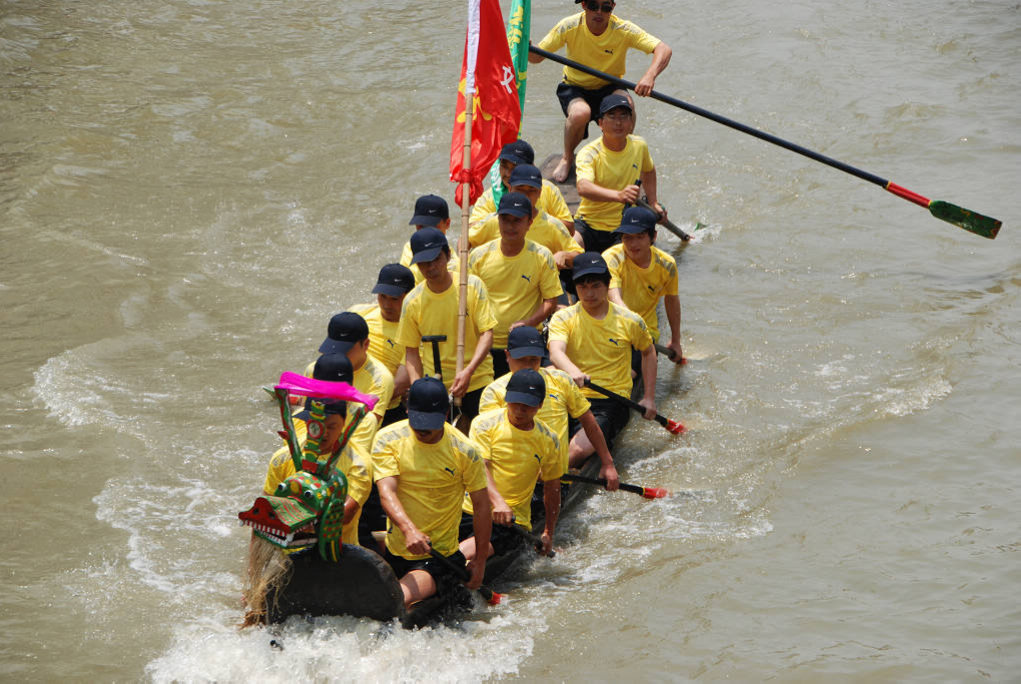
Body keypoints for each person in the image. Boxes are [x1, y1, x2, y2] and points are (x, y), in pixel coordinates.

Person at [373, 377, 492, 608]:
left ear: (446, 414)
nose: (422, 429)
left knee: (395, 601)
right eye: (417, 420)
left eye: (430, 422)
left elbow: (481, 506)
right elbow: (387, 492)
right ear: (407, 409)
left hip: (441, 557)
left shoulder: (465, 451)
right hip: (398, 548)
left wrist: (479, 561)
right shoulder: (386, 439)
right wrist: (409, 530)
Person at [529, 0, 672, 183]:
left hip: (609, 85)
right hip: (575, 85)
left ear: (612, 8)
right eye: (592, 6)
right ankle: (567, 157)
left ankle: (623, 158)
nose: (599, 12)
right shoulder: (569, 26)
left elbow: (664, 50)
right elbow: (536, 57)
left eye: (605, 8)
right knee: (581, 113)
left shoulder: (623, 29)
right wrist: (527, 48)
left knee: (627, 105)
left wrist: (649, 76)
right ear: (583, 6)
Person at [547, 252, 657, 462]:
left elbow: (649, 351)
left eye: (595, 286)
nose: (589, 293)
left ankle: (548, 474)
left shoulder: (630, 320)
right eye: (582, 287)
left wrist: (649, 397)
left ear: (607, 285)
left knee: (576, 453)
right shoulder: (563, 317)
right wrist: (573, 371)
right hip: (568, 395)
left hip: (608, 401)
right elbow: (556, 352)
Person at [478, 326, 619, 489]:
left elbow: (589, 423)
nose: (528, 366)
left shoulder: (561, 380)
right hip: (514, 479)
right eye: (522, 359)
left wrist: (608, 464)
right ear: (507, 356)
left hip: (555, 476)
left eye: (534, 360)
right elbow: (491, 444)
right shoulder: (493, 392)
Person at [263, 354, 372, 546]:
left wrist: (304, 519)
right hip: (289, 546)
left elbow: (345, 514)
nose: (322, 434)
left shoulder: (359, 463)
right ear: (306, 421)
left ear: (344, 423)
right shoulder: (283, 458)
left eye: (330, 427)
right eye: (316, 426)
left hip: (338, 548)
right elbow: (267, 510)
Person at [396, 226, 497, 429]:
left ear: (448, 256)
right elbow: (411, 352)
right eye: (423, 263)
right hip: (437, 388)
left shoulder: (471, 286)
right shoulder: (412, 302)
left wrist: (469, 371)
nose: (431, 267)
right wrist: (418, 389)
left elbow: (487, 334)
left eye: (436, 259)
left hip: (477, 378)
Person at [459, 369, 563, 561]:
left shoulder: (549, 439)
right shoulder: (483, 424)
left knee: (462, 553)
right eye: (515, 402)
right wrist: (498, 502)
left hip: (511, 522)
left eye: (527, 405)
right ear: (506, 398)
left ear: (540, 405)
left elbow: (552, 487)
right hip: (469, 508)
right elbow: (481, 466)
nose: (519, 410)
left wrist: (549, 531)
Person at [468, 192, 562, 379]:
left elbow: (550, 302)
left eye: (517, 220)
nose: (510, 226)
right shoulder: (478, 257)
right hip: (485, 346)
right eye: (505, 219)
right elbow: (468, 303)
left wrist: (527, 323)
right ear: (497, 221)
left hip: (526, 345)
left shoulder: (542, 256)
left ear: (529, 223)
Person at [573, 94, 666, 255]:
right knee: (570, 250)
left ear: (631, 123)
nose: (618, 123)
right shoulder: (588, 153)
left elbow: (649, 170)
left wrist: (653, 202)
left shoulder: (639, 145)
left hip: (624, 225)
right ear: (601, 123)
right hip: (588, 223)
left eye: (624, 116)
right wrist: (619, 195)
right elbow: (583, 187)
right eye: (612, 116)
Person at [604, 206, 684, 365]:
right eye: (627, 237)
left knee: (632, 371)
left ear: (653, 236)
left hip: (645, 333)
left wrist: (676, 341)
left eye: (640, 237)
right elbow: (615, 298)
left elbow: (671, 301)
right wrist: (630, 320)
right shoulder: (611, 258)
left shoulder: (667, 264)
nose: (633, 244)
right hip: (613, 326)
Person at [469, 164, 584, 271]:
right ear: (510, 189)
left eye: (531, 190)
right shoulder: (493, 221)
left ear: (539, 193)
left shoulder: (552, 225)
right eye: (520, 189)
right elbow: (465, 240)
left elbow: (579, 256)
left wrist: (564, 255)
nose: (525, 195)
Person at [310, 311, 394, 456]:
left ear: (366, 344)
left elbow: (365, 429)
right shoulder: (316, 368)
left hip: (352, 445)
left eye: (345, 349)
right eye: (334, 347)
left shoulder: (381, 379)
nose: (338, 355)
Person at [347, 263, 416, 426]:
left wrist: (361, 403)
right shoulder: (358, 313)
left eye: (394, 299)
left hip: (383, 405)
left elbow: (398, 385)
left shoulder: (415, 331)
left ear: (410, 297)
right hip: (346, 394)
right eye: (382, 296)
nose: (386, 304)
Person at [468, 139, 573, 230]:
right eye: (504, 166)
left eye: (514, 167)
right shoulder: (489, 197)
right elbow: (471, 229)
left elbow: (569, 227)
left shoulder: (548, 189)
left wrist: (537, 222)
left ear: (531, 167)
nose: (508, 174)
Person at [399, 194, 460, 285]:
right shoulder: (409, 247)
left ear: (447, 223)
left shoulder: (453, 266)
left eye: (433, 226)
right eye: (421, 226)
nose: (426, 232)